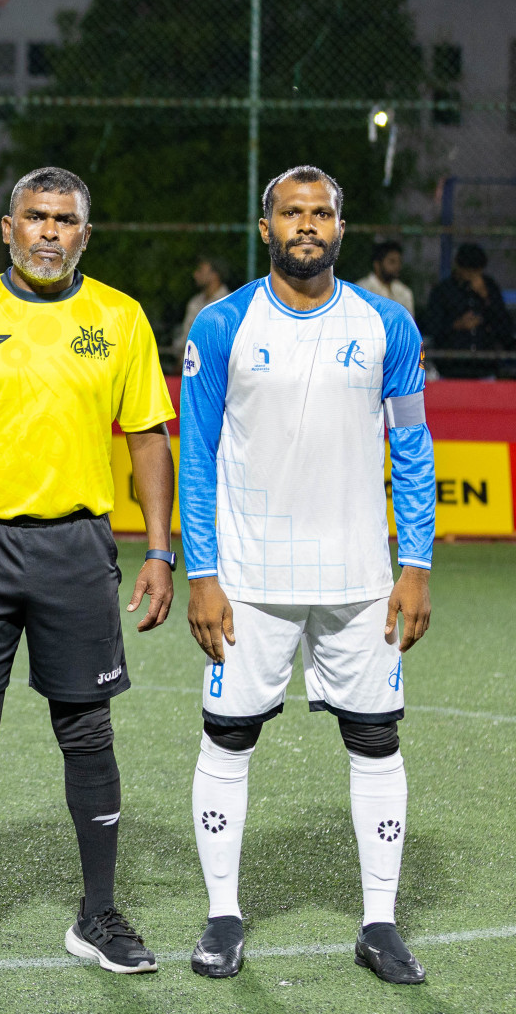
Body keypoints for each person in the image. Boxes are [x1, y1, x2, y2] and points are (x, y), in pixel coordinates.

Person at [0, 166, 175, 975]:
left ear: (86, 233)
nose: (49, 232)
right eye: (36, 217)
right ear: (6, 228)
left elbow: (148, 437)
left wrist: (158, 549)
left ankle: (99, 915)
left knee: (87, 730)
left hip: (78, 548)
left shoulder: (119, 319)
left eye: (65, 220)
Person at [179, 166, 435, 983]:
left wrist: (417, 561)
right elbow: (198, 456)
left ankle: (380, 923)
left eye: (322, 212)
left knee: (375, 739)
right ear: (266, 228)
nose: (307, 224)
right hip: (249, 578)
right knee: (229, 738)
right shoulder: (221, 327)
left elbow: (412, 448)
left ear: (341, 227)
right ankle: (223, 917)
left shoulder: (388, 325)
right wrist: (202, 572)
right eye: (291, 212)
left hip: (361, 579)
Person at [423, 243, 515, 379]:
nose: (472, 276)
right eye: (469, 272)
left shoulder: (490, 288)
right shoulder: (443, 291)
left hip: (485, 367)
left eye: (476, 272)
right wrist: (457, 324)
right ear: (459, 267)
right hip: (451, 368)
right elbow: (431, 327)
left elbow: (504, 327)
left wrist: (485, 296)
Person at [170, 256, 231, 358]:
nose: (195, 275)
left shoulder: (229, 303)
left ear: (214, 275)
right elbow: (185, 336)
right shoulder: (195, 303)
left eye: (200, 271)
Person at [357, 240, 415, 316]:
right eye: (392, 262)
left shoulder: (404, 292)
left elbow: (408, 325)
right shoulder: (362, 289)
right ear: (377, 264)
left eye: (399, 262)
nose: (397, 266)